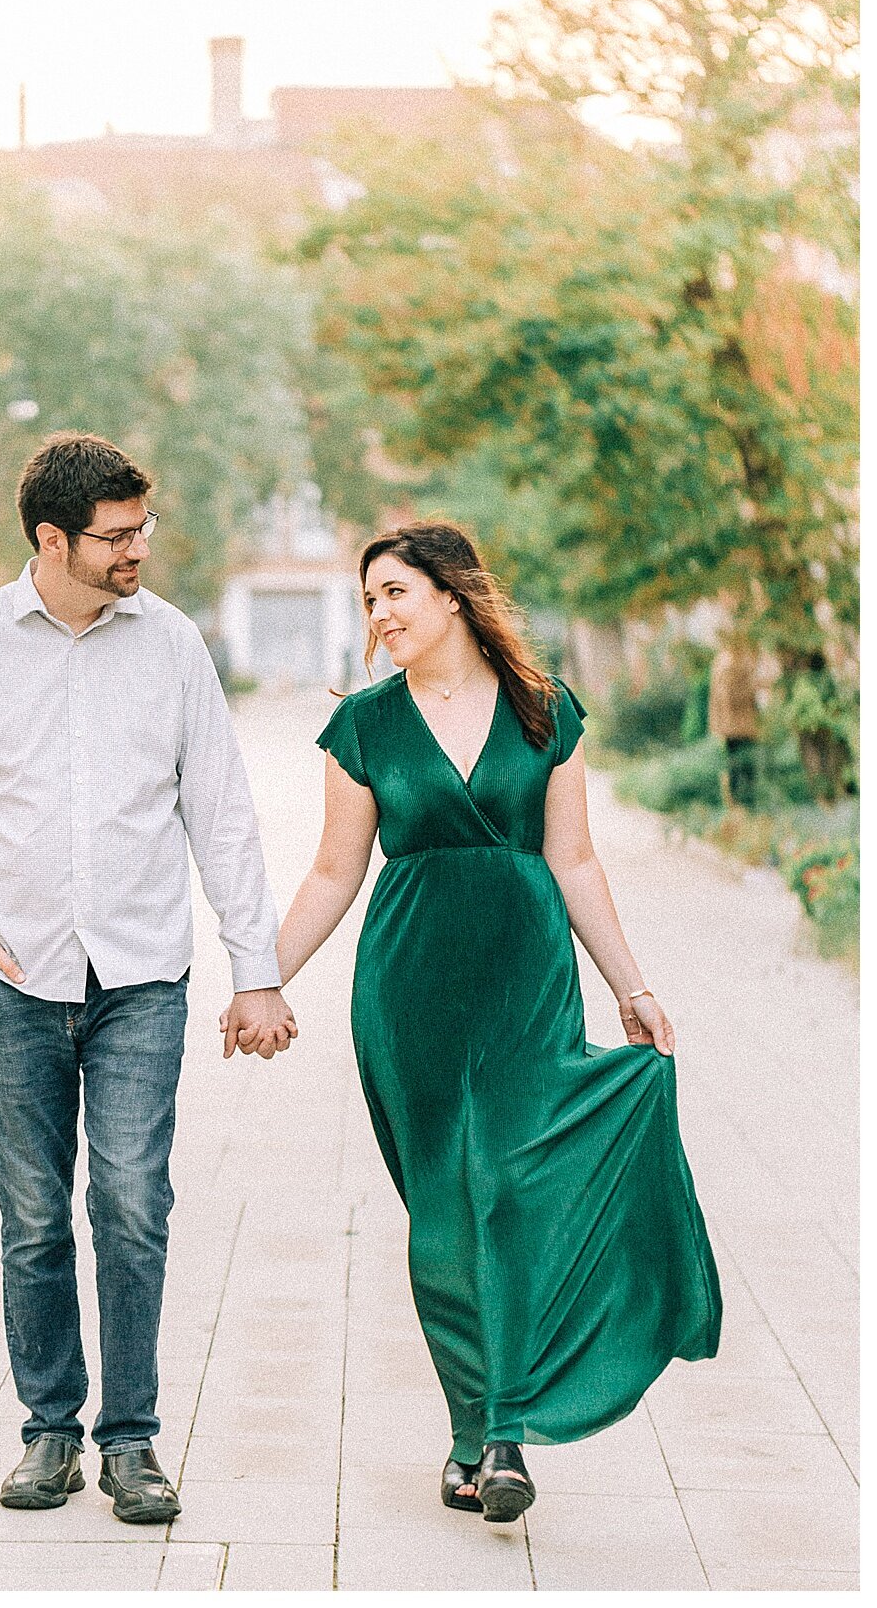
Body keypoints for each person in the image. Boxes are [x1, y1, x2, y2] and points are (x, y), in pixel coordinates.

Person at [0, 432, 296, 1524]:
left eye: (141, 529)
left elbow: (220, 809)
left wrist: (254, 971)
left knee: (129, 1203)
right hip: (12, 978)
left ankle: (132, 1440)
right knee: (32, 1215)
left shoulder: (171, 647)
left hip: (141, 978)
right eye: (116, 536)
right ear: (51, 538)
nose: (137, 550)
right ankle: (50, 1431)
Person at [276, 522, 720, 1522]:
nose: (379, 615)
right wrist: (260, 977)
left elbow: (575, 860)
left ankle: (503, 1430)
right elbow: (334, 871)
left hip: (528, 978)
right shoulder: (366, 725)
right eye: (368, 601)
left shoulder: (543, 712)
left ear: (452, 596)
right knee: (445, 1208)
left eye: (393, 592)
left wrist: (631, 985)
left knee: (513, 1192)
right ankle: (472, 1423)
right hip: (411, 987)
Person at [708, 635, 761, 807]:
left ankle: (743, 803)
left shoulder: (726, 661)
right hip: (736, 723)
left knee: (743, 765)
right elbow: (727, 695)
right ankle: (741, 804)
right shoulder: (729, 664)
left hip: (738, 723)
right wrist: (752, 687)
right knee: (740, 766)